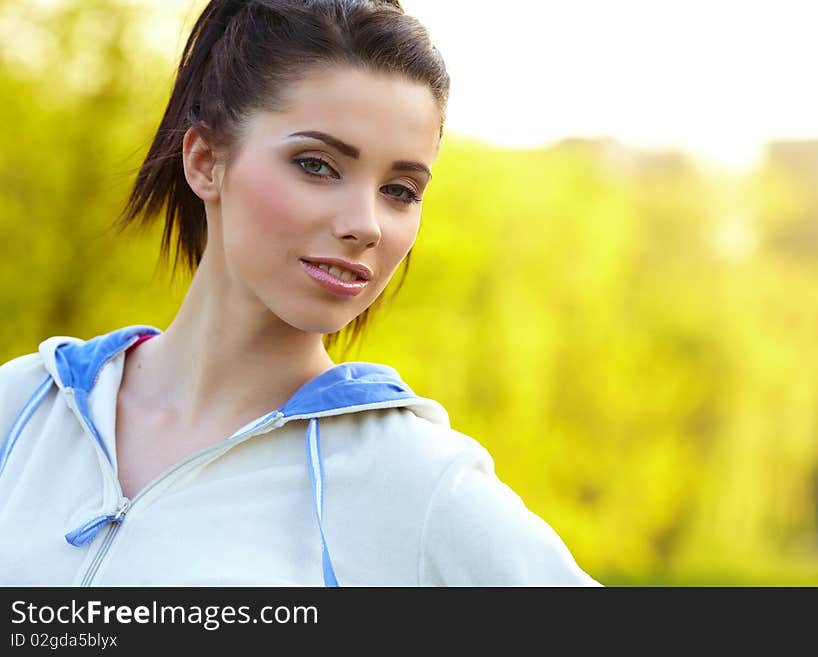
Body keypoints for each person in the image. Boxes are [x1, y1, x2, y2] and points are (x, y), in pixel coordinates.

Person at [0, 0, 601, 586]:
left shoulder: (415, 482)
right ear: (206, 161)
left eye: (400, 189)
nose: (366, 224)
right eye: (317, 165)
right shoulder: (24, 408)